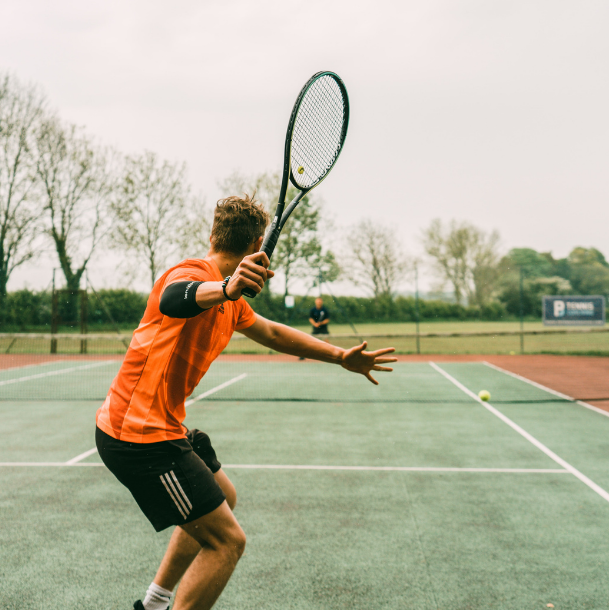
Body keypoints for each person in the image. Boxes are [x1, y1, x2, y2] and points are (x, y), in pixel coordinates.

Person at [94, 194, 397, 610]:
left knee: (225, 497)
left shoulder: (231, 304)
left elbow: (272, 334)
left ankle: (154, 603)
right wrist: (225, 286)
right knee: (227, 543)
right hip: (138, 439)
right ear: (259, 244)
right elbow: (173, 297)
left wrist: (340, 356)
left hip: (155, 426)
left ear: (214, 234)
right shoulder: (192, 275)